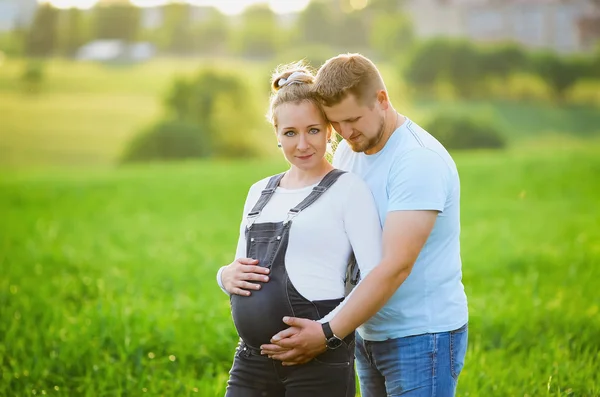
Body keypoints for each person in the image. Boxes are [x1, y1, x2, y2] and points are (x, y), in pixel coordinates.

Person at [226, 54, 469, 397]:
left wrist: (326, 332)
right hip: (364, 332)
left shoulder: (417, 161)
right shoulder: (351, 151)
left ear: (382, 100)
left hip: (419, 335)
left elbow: (395, 267)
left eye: (352, 119)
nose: (345, 132)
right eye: (336, 123)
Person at [217, 62, 383, 397]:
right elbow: (241, 268)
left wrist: (325, 332)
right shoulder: (259, 191)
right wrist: (223, 276)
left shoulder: (349, 189)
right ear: (277, 136)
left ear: (329, 131)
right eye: (290, 133)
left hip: (319, 363)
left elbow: (376, 275)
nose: (302, 144)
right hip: (252, 361)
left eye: (313, 130)